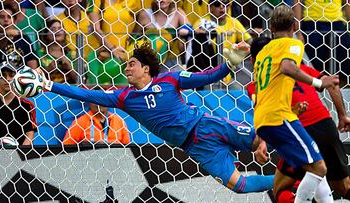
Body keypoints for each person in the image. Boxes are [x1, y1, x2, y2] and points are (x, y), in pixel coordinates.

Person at [33, 41, 274, 193]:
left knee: (266, 138)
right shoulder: (124, 97)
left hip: (205, 124)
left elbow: (207, 77)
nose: (126, 68)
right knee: (239, 186)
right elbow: (84, 93)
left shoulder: (170, 79)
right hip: (194, 147)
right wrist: (48, 85)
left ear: (146, 69)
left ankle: (305, 162)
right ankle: (287, 181)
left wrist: (228, 66)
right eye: (127, 65)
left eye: (131, 64)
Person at [252, 6, 340, 203]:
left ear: (271, 28)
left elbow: (259, 93)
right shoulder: (293, 44)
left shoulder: (263, 53)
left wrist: (260, 137)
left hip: (263, 120)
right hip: (281, 117)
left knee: (314, 170)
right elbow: (287, 67)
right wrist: (319, 83)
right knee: (319, 168)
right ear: (295, 25)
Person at [191, 0, 252, 86]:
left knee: (240, 93)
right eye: (217, 4)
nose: (222, 7)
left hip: (228, 71)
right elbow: (194, 43)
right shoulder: (202, 22)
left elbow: (249, 40)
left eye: (226, 4)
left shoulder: (233, 22)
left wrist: (242, 49)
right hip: (206, 72)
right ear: (210, 7)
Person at [293, 0, 350, 87]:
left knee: (345, 64)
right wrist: (298, 31)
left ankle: (338, 93)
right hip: (312, 20)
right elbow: (297, 3)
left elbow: (347, 3)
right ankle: (318, 94)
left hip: (337, 21)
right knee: (315, 66)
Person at [133, 0, 191, 73]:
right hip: (149, 63)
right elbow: (133, 39)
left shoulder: (178, 13)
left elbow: (189, 32)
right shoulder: (144, 14)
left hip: (172, 62)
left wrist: (183, 36)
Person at [0, 63, 37, 145]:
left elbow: (30, 135)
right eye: (3, 76)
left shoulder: (27, 105)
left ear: (16, 79)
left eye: (11, 75)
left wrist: (20, 154)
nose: (7, 79)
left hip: (21, 153)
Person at [0, 5, 38, 78]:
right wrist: (5, 35)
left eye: (9, 17)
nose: (6, 20)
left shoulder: (23, 38)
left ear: (15, 21)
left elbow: (32, 62)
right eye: (2, 17)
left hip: (19, 80)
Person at [63, 101, 130, 145]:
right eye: (94, 100)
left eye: (102, 99)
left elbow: (127, 148)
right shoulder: (80, 122)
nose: (98, 103)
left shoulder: (119, 121)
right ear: (89, 103)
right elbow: (67, 146)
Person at [38, 19, 77, 84]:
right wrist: (48, 70)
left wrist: (69, 67)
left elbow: (81, 80)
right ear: (46, 34)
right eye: (53, 29)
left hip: (68, 90)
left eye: (60, 29)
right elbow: (34, 79)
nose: (57, 31)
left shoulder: (72, 54)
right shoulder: (39, 53)